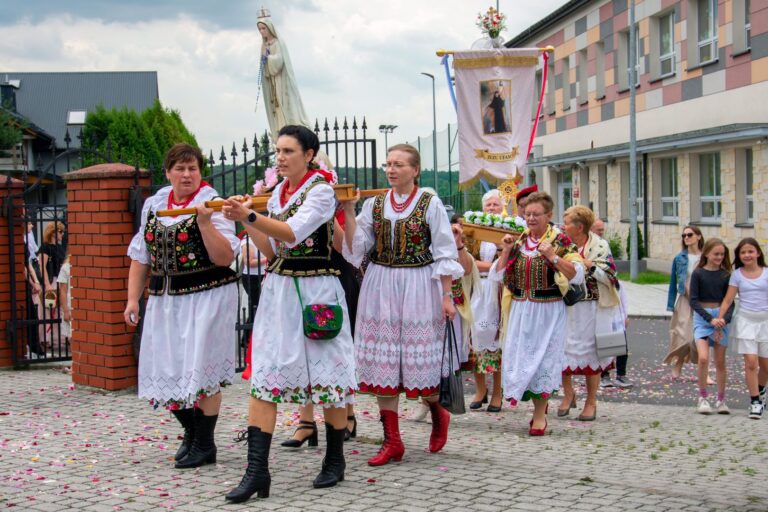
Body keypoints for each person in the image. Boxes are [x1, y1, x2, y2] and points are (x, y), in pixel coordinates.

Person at [222, 125, 356, 502]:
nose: (280, 158)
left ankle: (334, 458)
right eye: (277, 151)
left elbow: (292, 232)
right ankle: (256, 472)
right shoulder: (279, 191)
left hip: (318, 291)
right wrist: (245, 221)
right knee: (265, 372)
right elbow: (273, 249)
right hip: (280, 290)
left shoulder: (322, 192)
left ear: (309, 154)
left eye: (288, 151)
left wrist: (249, 215)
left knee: (326, 373)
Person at [341, 143, 463, 466]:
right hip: (380, 284)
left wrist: (447, 296)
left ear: (415, 170)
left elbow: (444, 252)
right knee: (384, 364)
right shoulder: (376, 204)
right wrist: (350, 212)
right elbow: (356, 249)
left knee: (419, 364)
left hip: (420, 285)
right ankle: (392, 440)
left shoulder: (429, 202)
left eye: (398, 164)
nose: (391, 169)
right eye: (388, 164)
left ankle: (438, 410)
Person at [124, 143, 240, 470]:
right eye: (180, 168)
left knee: (201, 368)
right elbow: (140, 255)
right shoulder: (155, 204)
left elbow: (225, 256)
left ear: (200, 171)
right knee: (166, 368)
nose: (187, 174)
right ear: (168, 172)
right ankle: (192, 432)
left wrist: (204, 224)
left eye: (192, 168)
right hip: (165, 299)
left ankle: (204, 443)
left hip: (208, 295)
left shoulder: (213, 203)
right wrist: (133, 298)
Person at [489, 192, 582, 436]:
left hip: (549, 310)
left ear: (548, 216)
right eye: (527, 214)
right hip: (520, 308)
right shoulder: (519, 241)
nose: (530, 218)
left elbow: (577, 274)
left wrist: (553, 256)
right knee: (522, 359)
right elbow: (497, 275)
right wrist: (506, 251)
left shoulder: (561, 241)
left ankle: (539, 414)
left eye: (536, 214)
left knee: (543, 361)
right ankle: (534, 404)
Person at [558, 206, 620, 421]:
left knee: (591, 353)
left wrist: (590, 266)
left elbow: (611, 277)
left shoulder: (600, 246)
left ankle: (591, 402)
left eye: (566, 223)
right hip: (566, 305)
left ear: (579, 227)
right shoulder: (562, 244)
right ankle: (568, 394)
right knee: (562, 349)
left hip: (592, 307)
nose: (562, 226)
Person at [716, 238, 768, 419]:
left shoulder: (766, 273)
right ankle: (755, 402)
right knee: (751, 363)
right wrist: (719, 319)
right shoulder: (737, 275)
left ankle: (761, 391)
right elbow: (728, 300)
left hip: (765, 323)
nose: (747, 255)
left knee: (766, 367)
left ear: (758, 253)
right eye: (743, 252)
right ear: (739, 255)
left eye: (750, 251)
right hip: (746, 322)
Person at [468, 189, 504, 412]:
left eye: (495, 205)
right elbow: (468, 260)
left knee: (497, 338)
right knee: (475, 336)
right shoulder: (475, 230)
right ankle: (480, 389)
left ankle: (498, 392)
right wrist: (493, 267)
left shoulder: (508, 230)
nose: (492, 209)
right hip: (477, 286)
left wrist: (497, 265)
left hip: (499, 288)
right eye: (488, 205)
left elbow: (510, 261)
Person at [689, 239, 734, 415]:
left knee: (720, 361)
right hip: (703, 318)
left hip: (721, 318)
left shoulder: (725, 275)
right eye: (716, 254)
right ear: (706, 253)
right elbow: (693, 301)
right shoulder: (698, 273)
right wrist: (709, 319)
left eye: (722, 254)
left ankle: (721, 400)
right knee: (703, 358)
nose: (719, 257)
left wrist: (724, 319)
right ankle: (702, 397)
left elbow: (729, 301)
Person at [592, 219, 633, 389]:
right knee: (604, 340)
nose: (601, 232)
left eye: (603, 229)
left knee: (620, 342)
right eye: (598, 229)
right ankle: (604, 375)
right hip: (599, 299)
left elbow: (618, 288)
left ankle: (621, 374)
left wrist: (625, 313)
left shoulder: (603, 246)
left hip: (613, 296)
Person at [257, 14, 311, 140]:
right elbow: (264, 67)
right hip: (272, 82)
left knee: (283, 105)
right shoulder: (264, 45)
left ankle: (288, 129)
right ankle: (280, 130)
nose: (261, 32)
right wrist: (264, 59)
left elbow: (279, 61)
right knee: (275, 108)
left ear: (269, 28)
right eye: (259, 29)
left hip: (281, 81)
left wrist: (268, 57)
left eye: (263, 28)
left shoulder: (278, 42)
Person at [664, 226, 704, 379]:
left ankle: (703, 370)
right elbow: (673, 282)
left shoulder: (706, 257)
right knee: (685, 337)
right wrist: (670, 304)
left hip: (703, 300)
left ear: (698, 237)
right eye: (684, 235)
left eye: (690, 234)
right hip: (685, 300)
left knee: (701, 337)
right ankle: (678, 364)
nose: (686, 237)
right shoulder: (679, 258)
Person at [38, 221, 66, 352]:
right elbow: (41, 266)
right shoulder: (45, 248)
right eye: (60, 231)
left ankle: (59, 339)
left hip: (60, 281)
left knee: (60, 310)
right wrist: (47, 284)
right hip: (51, 281)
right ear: (53, 232)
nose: (62, 234)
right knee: (48, 310)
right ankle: (45, 339)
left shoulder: (60, 248)